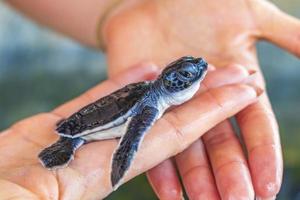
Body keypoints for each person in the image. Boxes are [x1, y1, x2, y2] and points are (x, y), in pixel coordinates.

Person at [1, 0, 300, 199]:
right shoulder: (149, 104)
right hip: (81, 128)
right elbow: (131, 136)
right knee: (131, 139)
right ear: (173, 81)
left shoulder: (151, 90)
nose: (198, 67)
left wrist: (122, 8)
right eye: (187, 70)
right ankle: (69, 143)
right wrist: (119, 168)